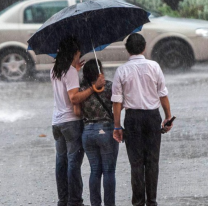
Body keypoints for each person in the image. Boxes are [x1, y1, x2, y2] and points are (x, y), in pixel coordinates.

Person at [111, 33, 173, 206]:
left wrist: (117, 126)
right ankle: (152, 201)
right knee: (152, 162)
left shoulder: (121, 70)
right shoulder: (154, 66)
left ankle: (138, 202)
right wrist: (168, 117)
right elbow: (163, 95)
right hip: (152, 117)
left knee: (136, 163)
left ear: (127, 50)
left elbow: (117, 102)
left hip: (132, 119)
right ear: (144, 47)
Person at [50, 37, 105, 206]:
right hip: (71, 122)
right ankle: (75, 201)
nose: (80, 53)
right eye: (79, 51)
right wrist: (93, 88)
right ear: (74, 53)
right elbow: (74, 98)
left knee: (61, 162)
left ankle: (63, 199)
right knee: (73, 162)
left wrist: (74, 69)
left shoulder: (54, 69)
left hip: (57, 122)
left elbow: (65, 90)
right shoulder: (70, 71)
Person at [74, 59, 119, 206]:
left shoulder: (81, 89)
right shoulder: (108, 86)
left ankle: (95, 204)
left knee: (95, 170)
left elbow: (78, 112)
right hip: (106, 130)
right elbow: (119, 105)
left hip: (87, 132)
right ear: (100, 71)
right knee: (109, 171)